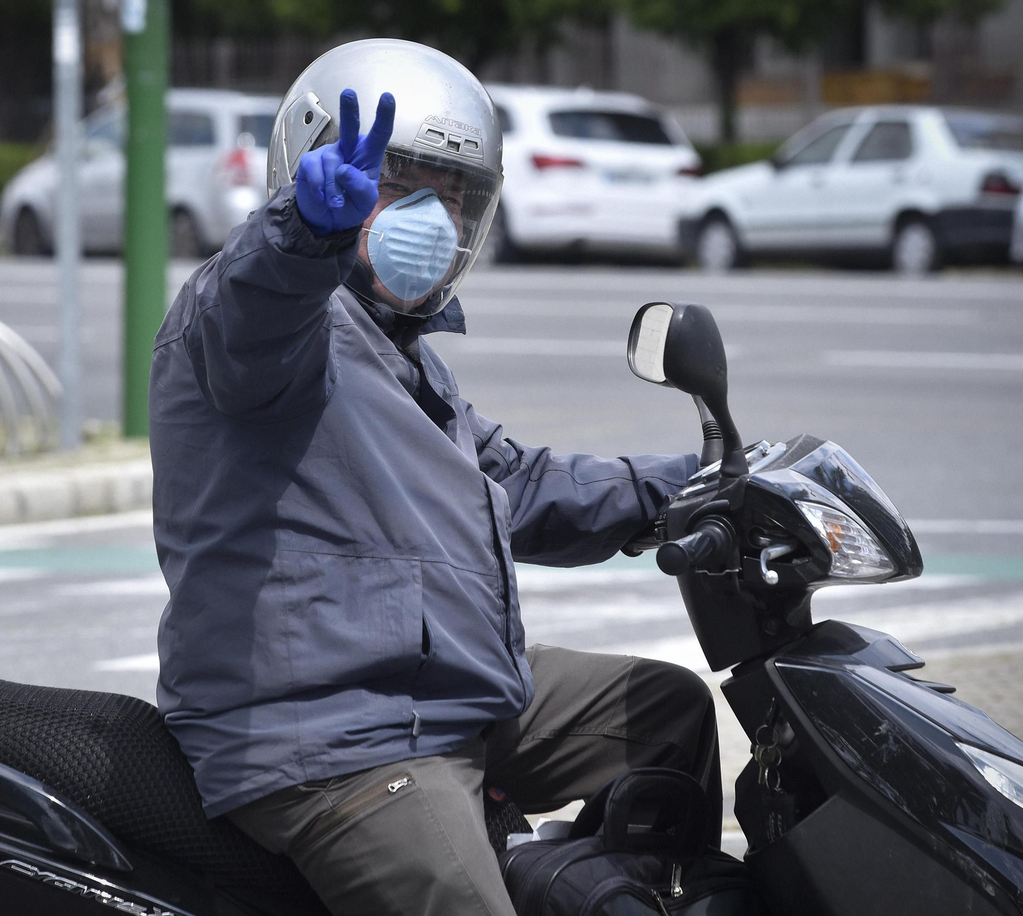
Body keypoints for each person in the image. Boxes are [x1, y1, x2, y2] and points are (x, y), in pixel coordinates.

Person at [148, 39, 720, 916]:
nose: (433, 217)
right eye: (397, 184)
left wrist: (702, 481)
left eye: (454, 195)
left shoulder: (401, 354)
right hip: (330, 736)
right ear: (311, 169)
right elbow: (253, 317)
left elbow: (514, 485)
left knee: (666, 712)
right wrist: (306, 234)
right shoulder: (261, 317)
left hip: (443, 696)